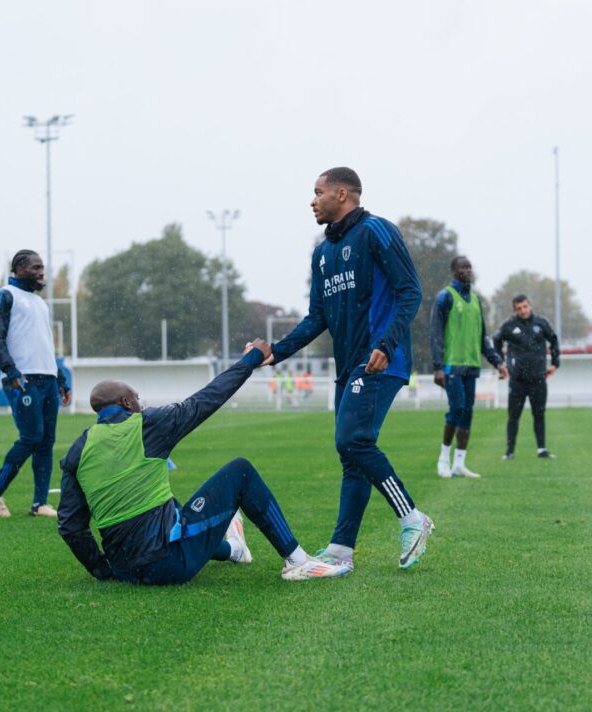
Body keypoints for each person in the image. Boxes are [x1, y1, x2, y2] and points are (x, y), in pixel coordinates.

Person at [56, 339, 350, 584]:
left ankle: (233, 550)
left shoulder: (78, 450)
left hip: (124, 569)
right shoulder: (146, 424)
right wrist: (251, 360)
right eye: (137, 397)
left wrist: (103, 572)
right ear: (126, 404)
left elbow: (71, 526)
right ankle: (298, 561)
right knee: (240, 472)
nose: (141, 402)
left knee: (167, 507)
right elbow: (207, 399)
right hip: (168, 564)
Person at [263, 166, 431, 574]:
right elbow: (316, 316)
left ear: (342, 194)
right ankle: (341, 548)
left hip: (380, 360)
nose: (312, 200)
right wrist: (277, 351)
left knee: (352, 440)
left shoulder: (378, 231)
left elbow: (411, 291)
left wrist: (385, 344)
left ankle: (412, 518)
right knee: (351, 454)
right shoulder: (322, 253)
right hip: (348, 366)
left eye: (318, 192)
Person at [0, 249, 72, 518]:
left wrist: (61, 378)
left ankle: (39, 503)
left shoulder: (40, 303)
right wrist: (11, 371)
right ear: (19, 268)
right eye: (35, 267)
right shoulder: (5, 296)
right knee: (32, 438)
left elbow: (46, 345)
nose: (41, 272)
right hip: (22, 379)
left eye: (42, 267)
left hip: (47, 379)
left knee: (46, 441)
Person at [431, 256, 508, 478]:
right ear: (454, 271)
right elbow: (436, 332)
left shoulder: (475, 300)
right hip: (452, 365)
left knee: (467, 413)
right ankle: (443, 460)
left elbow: (483, 337)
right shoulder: (445, 297)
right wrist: (438, 366)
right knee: (457, 409)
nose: (467, 271)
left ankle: (459, 463)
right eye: (463, 267)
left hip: (472, 365)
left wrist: (497, 361)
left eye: (469, 267)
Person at [493, 295, 560, 460]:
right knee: (513, 415)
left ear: (529, 305)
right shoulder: (509, 326)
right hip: (517, 380)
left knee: (539, 414)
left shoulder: (541, 323)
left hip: (538, 378)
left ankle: (542, 449)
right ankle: (509, 451)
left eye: (525, 306)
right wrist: (500, 363)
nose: (523, 310)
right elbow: (496, 341)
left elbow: (554, 340)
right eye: (519, 308)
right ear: (515, 310)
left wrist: (555, 363)